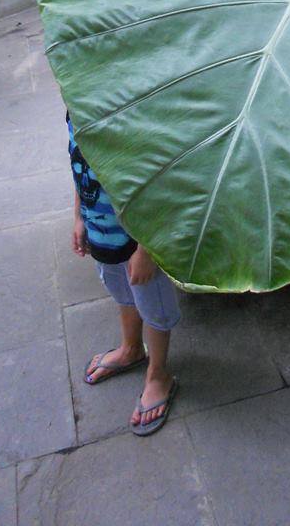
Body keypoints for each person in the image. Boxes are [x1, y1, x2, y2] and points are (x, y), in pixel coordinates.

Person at [68, 112, 180, 436]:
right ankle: (132, 348)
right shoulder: (75, 108)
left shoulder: (129, 113)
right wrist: (78, 216)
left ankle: (159, 374)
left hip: (137, 242)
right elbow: (78, 163)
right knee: (122, 292)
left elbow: (160, 179)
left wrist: (146, 249)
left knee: (154, 307)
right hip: (101, 234)